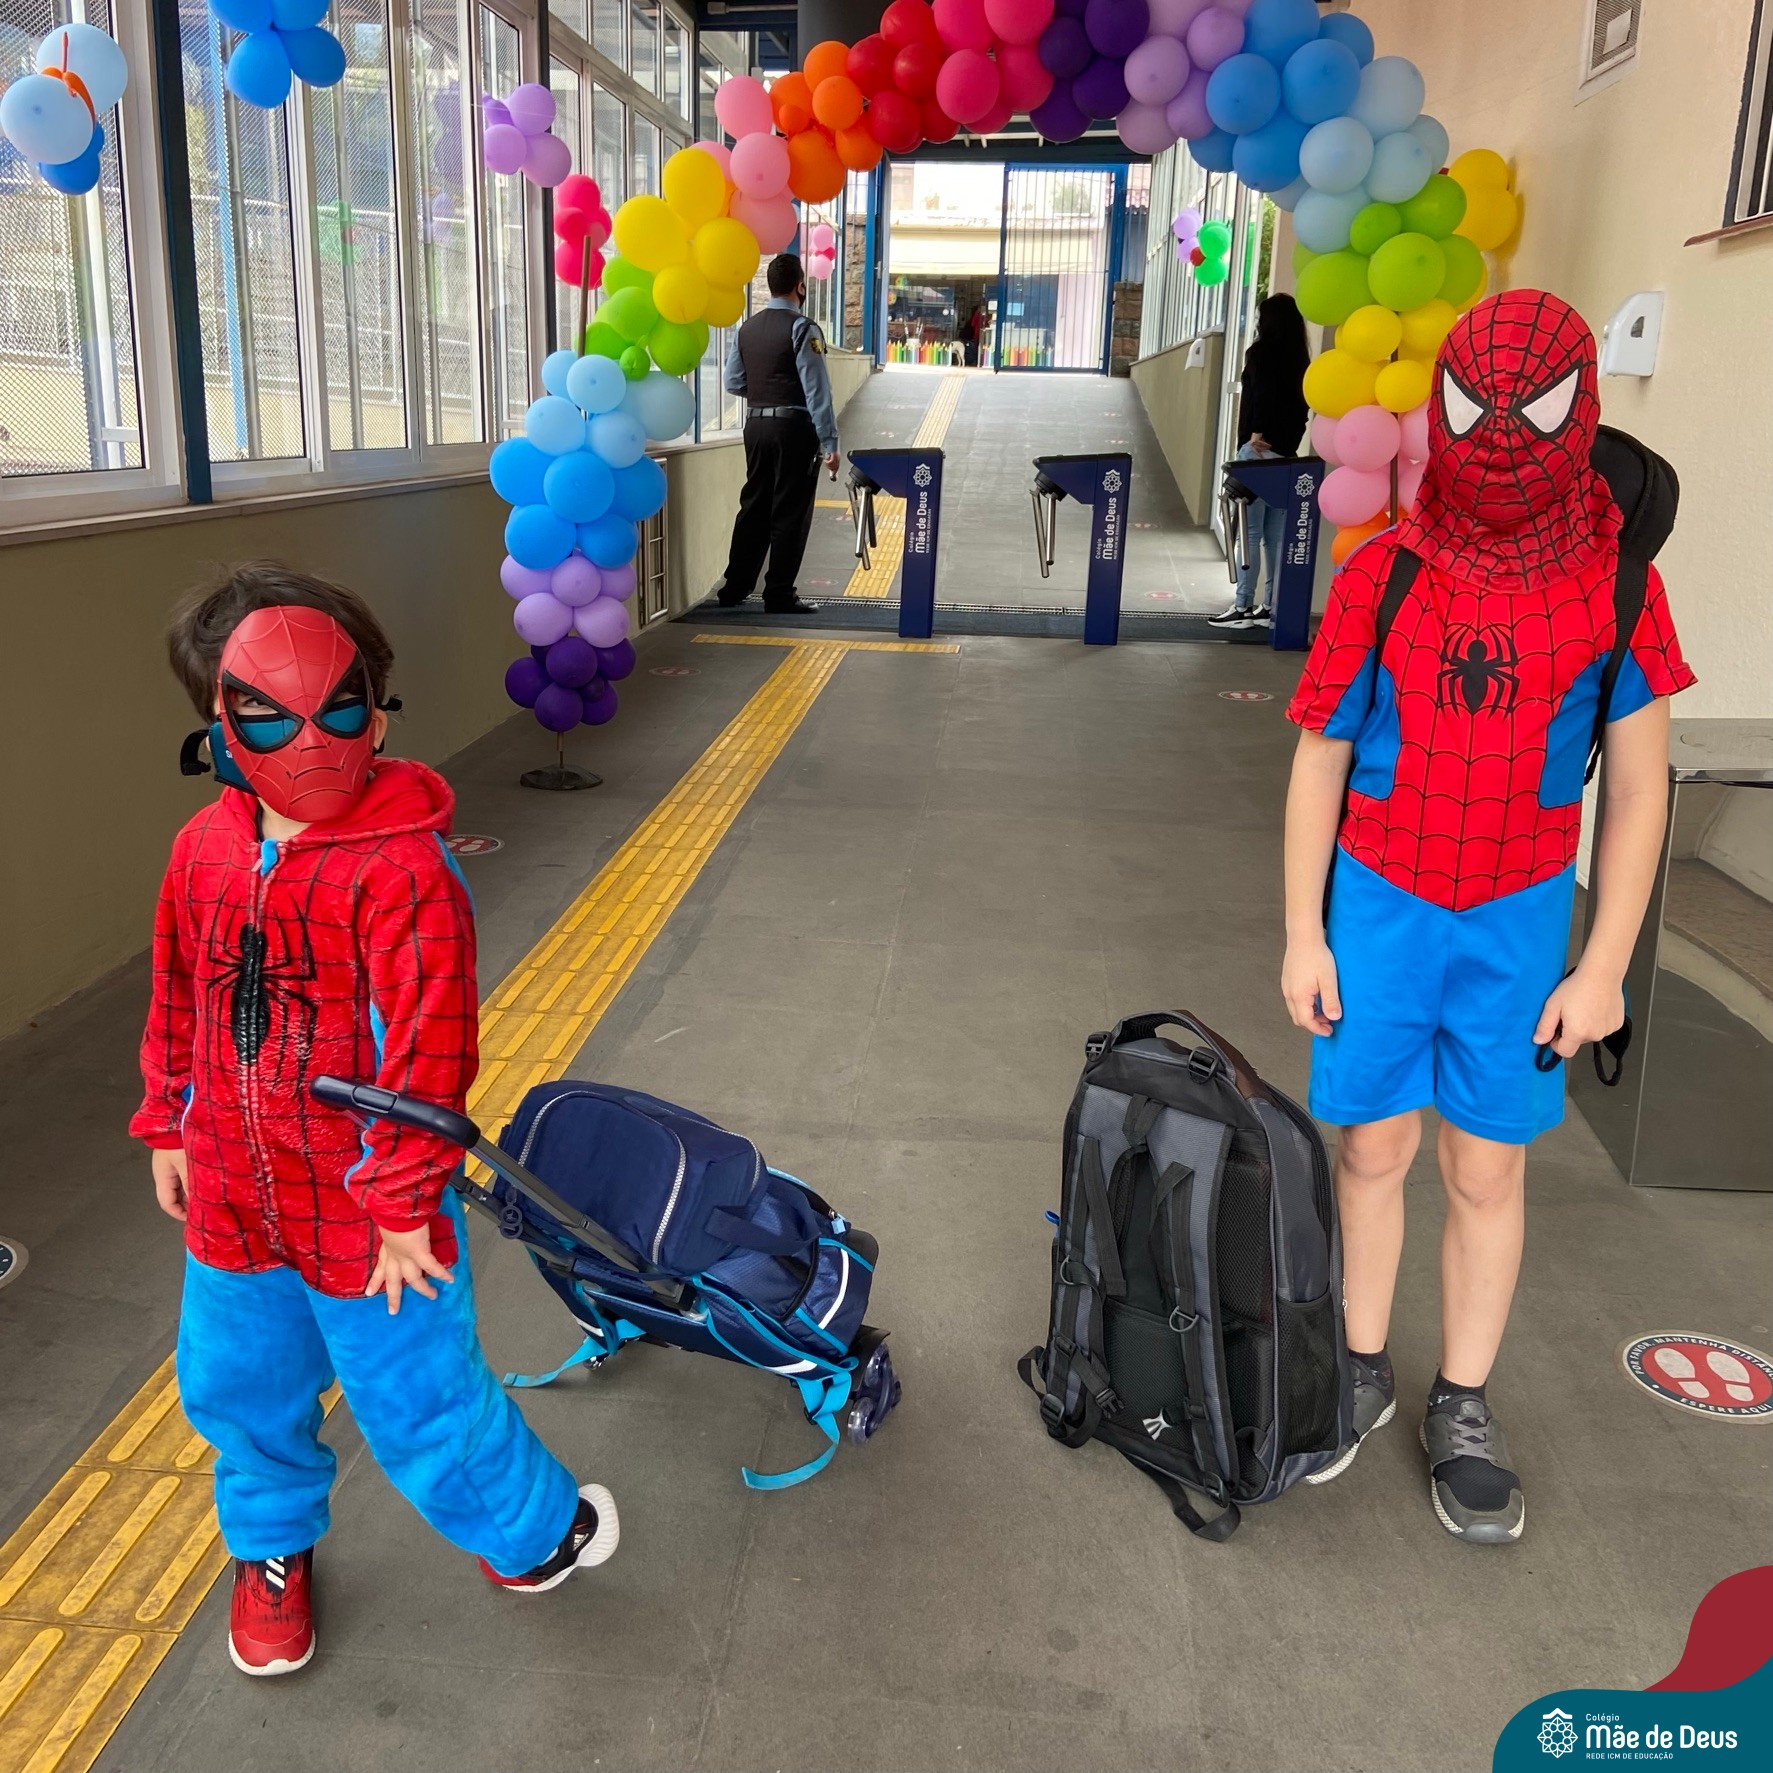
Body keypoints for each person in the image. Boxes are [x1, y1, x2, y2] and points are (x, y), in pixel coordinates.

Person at [133, 564, 619, 1678]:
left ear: (377, 707)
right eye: (269, 714)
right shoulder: (202, 851)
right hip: (231, 1199)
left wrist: (403, 1203)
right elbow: (177, 994)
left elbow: (430, 1051)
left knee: (418, 1397)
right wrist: (168, 1121)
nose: (310, 743)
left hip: (370, 1214)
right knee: (238, 1388)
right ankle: (270, 1549)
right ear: (219, 722)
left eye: (339, 707)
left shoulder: (403, 869)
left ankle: (529, 1534)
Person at [1280, 291, 1693, 1543]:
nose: (1502, 435)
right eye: (1476, 408)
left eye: (1535, 409)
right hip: (1380, 905)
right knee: (1371, 1150)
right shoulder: (1383, 573)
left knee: (1486, 1163)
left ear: (1584, 413)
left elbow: (1640, 788)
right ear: (1440, 411)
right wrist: (1304, 931)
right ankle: (1360, 1364)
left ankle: (1461, 1397)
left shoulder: (1621, 589)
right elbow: (1320, 756)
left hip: (1518, 918)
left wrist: (1604, 964)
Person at [714, 253, 839, 615]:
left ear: (769, 287)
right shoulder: (804, 329)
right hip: (793, 429)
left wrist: (765, 393)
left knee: (753, 505)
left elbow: (733, 382)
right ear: (800, 286)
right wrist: (829, 441)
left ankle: (734, 588)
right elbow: (817, 390)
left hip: (755, 426)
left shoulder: (747, 329)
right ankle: (779, 594)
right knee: (790, 509)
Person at [1211, 292, 1310, 630]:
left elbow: (1261, 395)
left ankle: (1242, 606)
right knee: (1275, 538)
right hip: (1285, 454)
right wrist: (1287, 442)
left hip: (1256, 451)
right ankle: (1270, 607)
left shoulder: (1260, 353)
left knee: (1249, 533)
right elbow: (1301, 408)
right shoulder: (1300, 359)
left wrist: (1256, 431)